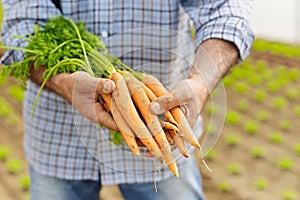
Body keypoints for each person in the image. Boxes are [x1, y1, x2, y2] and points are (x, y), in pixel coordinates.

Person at [1, 0, 254, 200]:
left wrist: (200, 83)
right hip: (59, 140)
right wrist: (63, 81)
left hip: (166, 126)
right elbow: (23, 26)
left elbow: (226, 8)